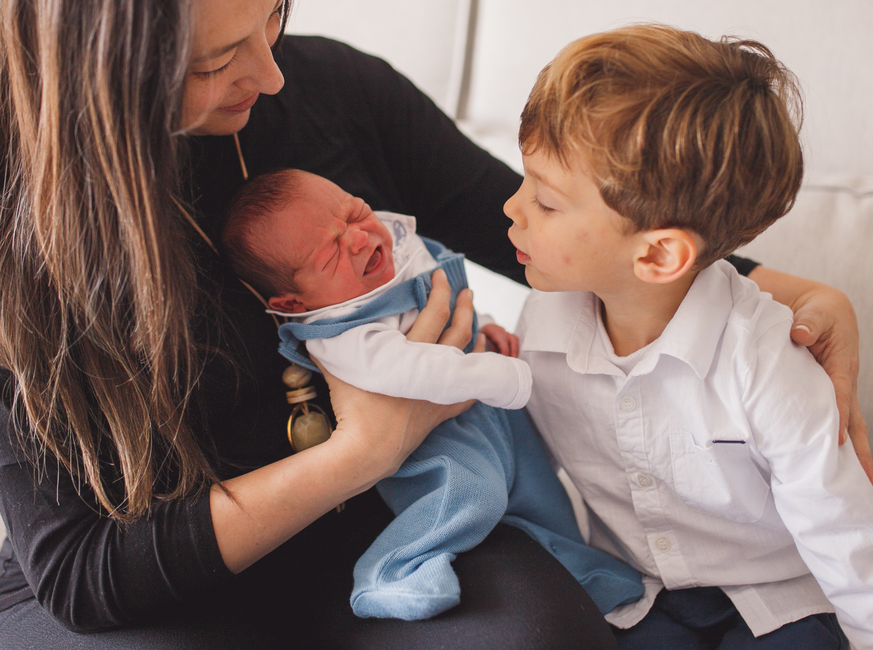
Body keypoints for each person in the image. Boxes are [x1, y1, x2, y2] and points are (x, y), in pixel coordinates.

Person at [0, 0, 872, 646]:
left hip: (384, 530)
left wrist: (777, 290)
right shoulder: (0, 257)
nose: (270, 73)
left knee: (557, 634)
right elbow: (83, 575)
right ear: (96, 63)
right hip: (156, 588)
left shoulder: (332, 94)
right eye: (215, 60)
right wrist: (364, 448)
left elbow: (537, 224)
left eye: (271, 18)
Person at [505, 25, 873, 649]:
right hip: (638, 598)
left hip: (779, 602)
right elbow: (522, 473)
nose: (512, 208)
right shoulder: (541, 326)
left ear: (658, 255)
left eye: (545, 202)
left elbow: (859, 546)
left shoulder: (767, 364)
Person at [219, 168, 646, 620]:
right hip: (434, 445)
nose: (359, 239)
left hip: (487, 411)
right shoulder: (339, 332)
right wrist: (494, 375)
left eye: (355, 213)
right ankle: (395, 572)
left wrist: (485, 326)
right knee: (474, 498)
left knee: (543, 490)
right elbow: (409, 369)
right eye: (330, 255)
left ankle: (583, 573)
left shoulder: (397, 250)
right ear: (293, 303)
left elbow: (452, 300)